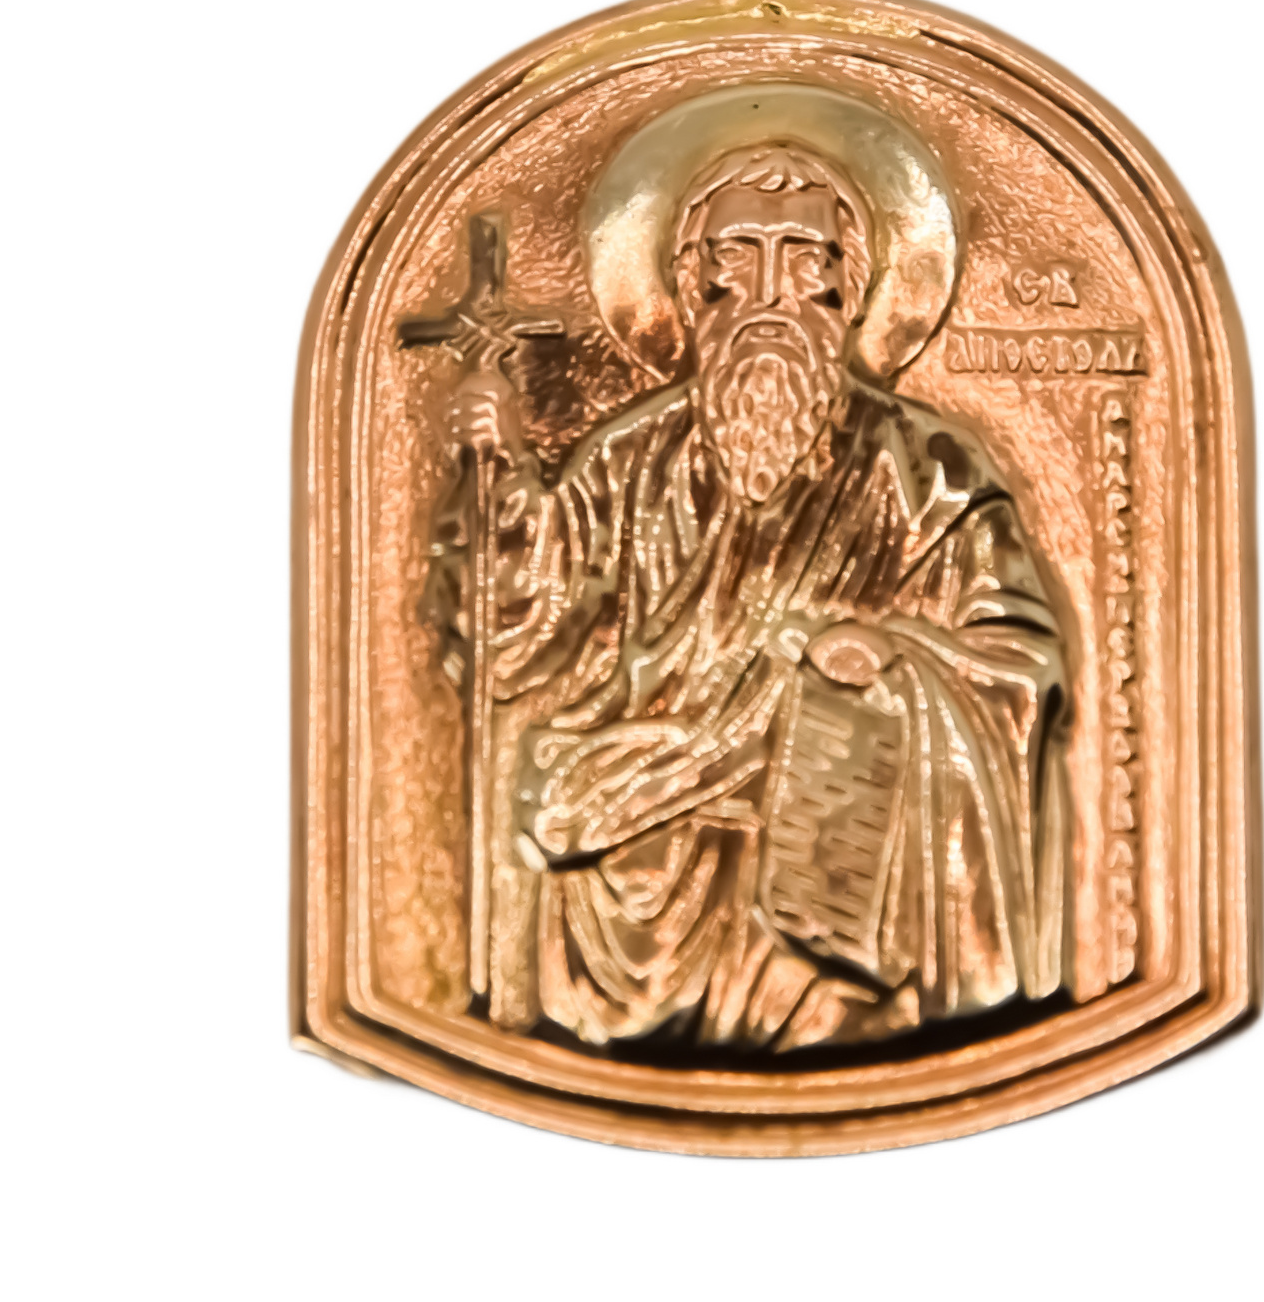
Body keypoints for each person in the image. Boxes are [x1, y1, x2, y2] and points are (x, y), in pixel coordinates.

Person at [428, 143, 1071, 1050]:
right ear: (692, 286)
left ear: (850, 292)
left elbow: (1020, 659)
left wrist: (897, 663)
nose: (770, 296)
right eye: (737, 259)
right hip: (631, 838)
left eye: (804, 261)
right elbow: (521, 635)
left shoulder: (928, 470)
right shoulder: (627, 460)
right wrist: (495, 481)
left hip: (835, 843)